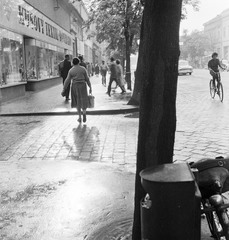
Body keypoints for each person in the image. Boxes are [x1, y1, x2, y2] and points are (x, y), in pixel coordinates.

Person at [61, 57, 92, 123]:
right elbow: (87, 78)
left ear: (72, 63)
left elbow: (67, 80)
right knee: (83, 100)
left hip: (75, 86)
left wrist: (64, 89)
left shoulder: (71, 70)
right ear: (79, 62)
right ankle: (84, 112)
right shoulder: (83, 69)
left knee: (77, 101)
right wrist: (90, 87)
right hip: (83, 86)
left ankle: (79, 117)